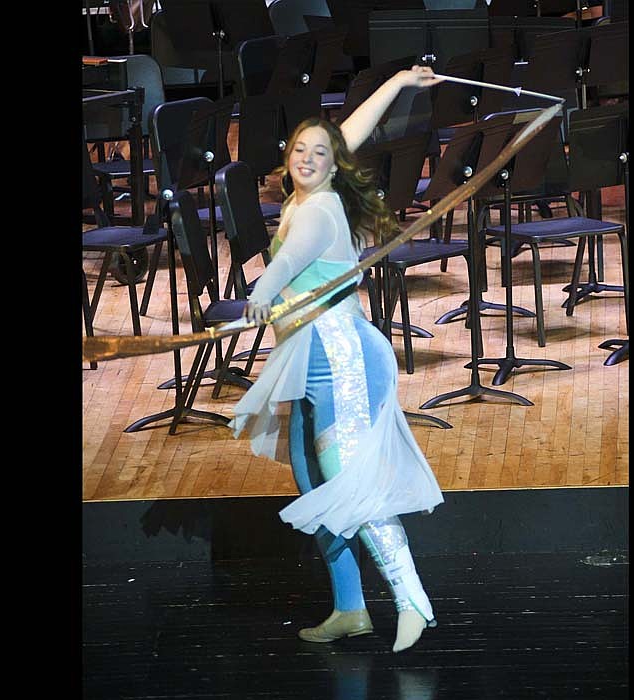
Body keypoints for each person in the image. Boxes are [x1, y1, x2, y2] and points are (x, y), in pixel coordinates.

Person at [230, 65, 445, 653]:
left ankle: (411, 599)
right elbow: (352, 129)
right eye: (299, 149)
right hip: (307, 352)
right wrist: (399, 82)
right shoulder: (310, 193)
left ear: (331, 164)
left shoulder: (319, 210)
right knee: (311, 483)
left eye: (318, 152)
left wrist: (261, 295)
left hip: (339, 360)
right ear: (289, 156)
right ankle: (351, 607)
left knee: (352, 488)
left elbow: (287, 262)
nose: (307, 157)